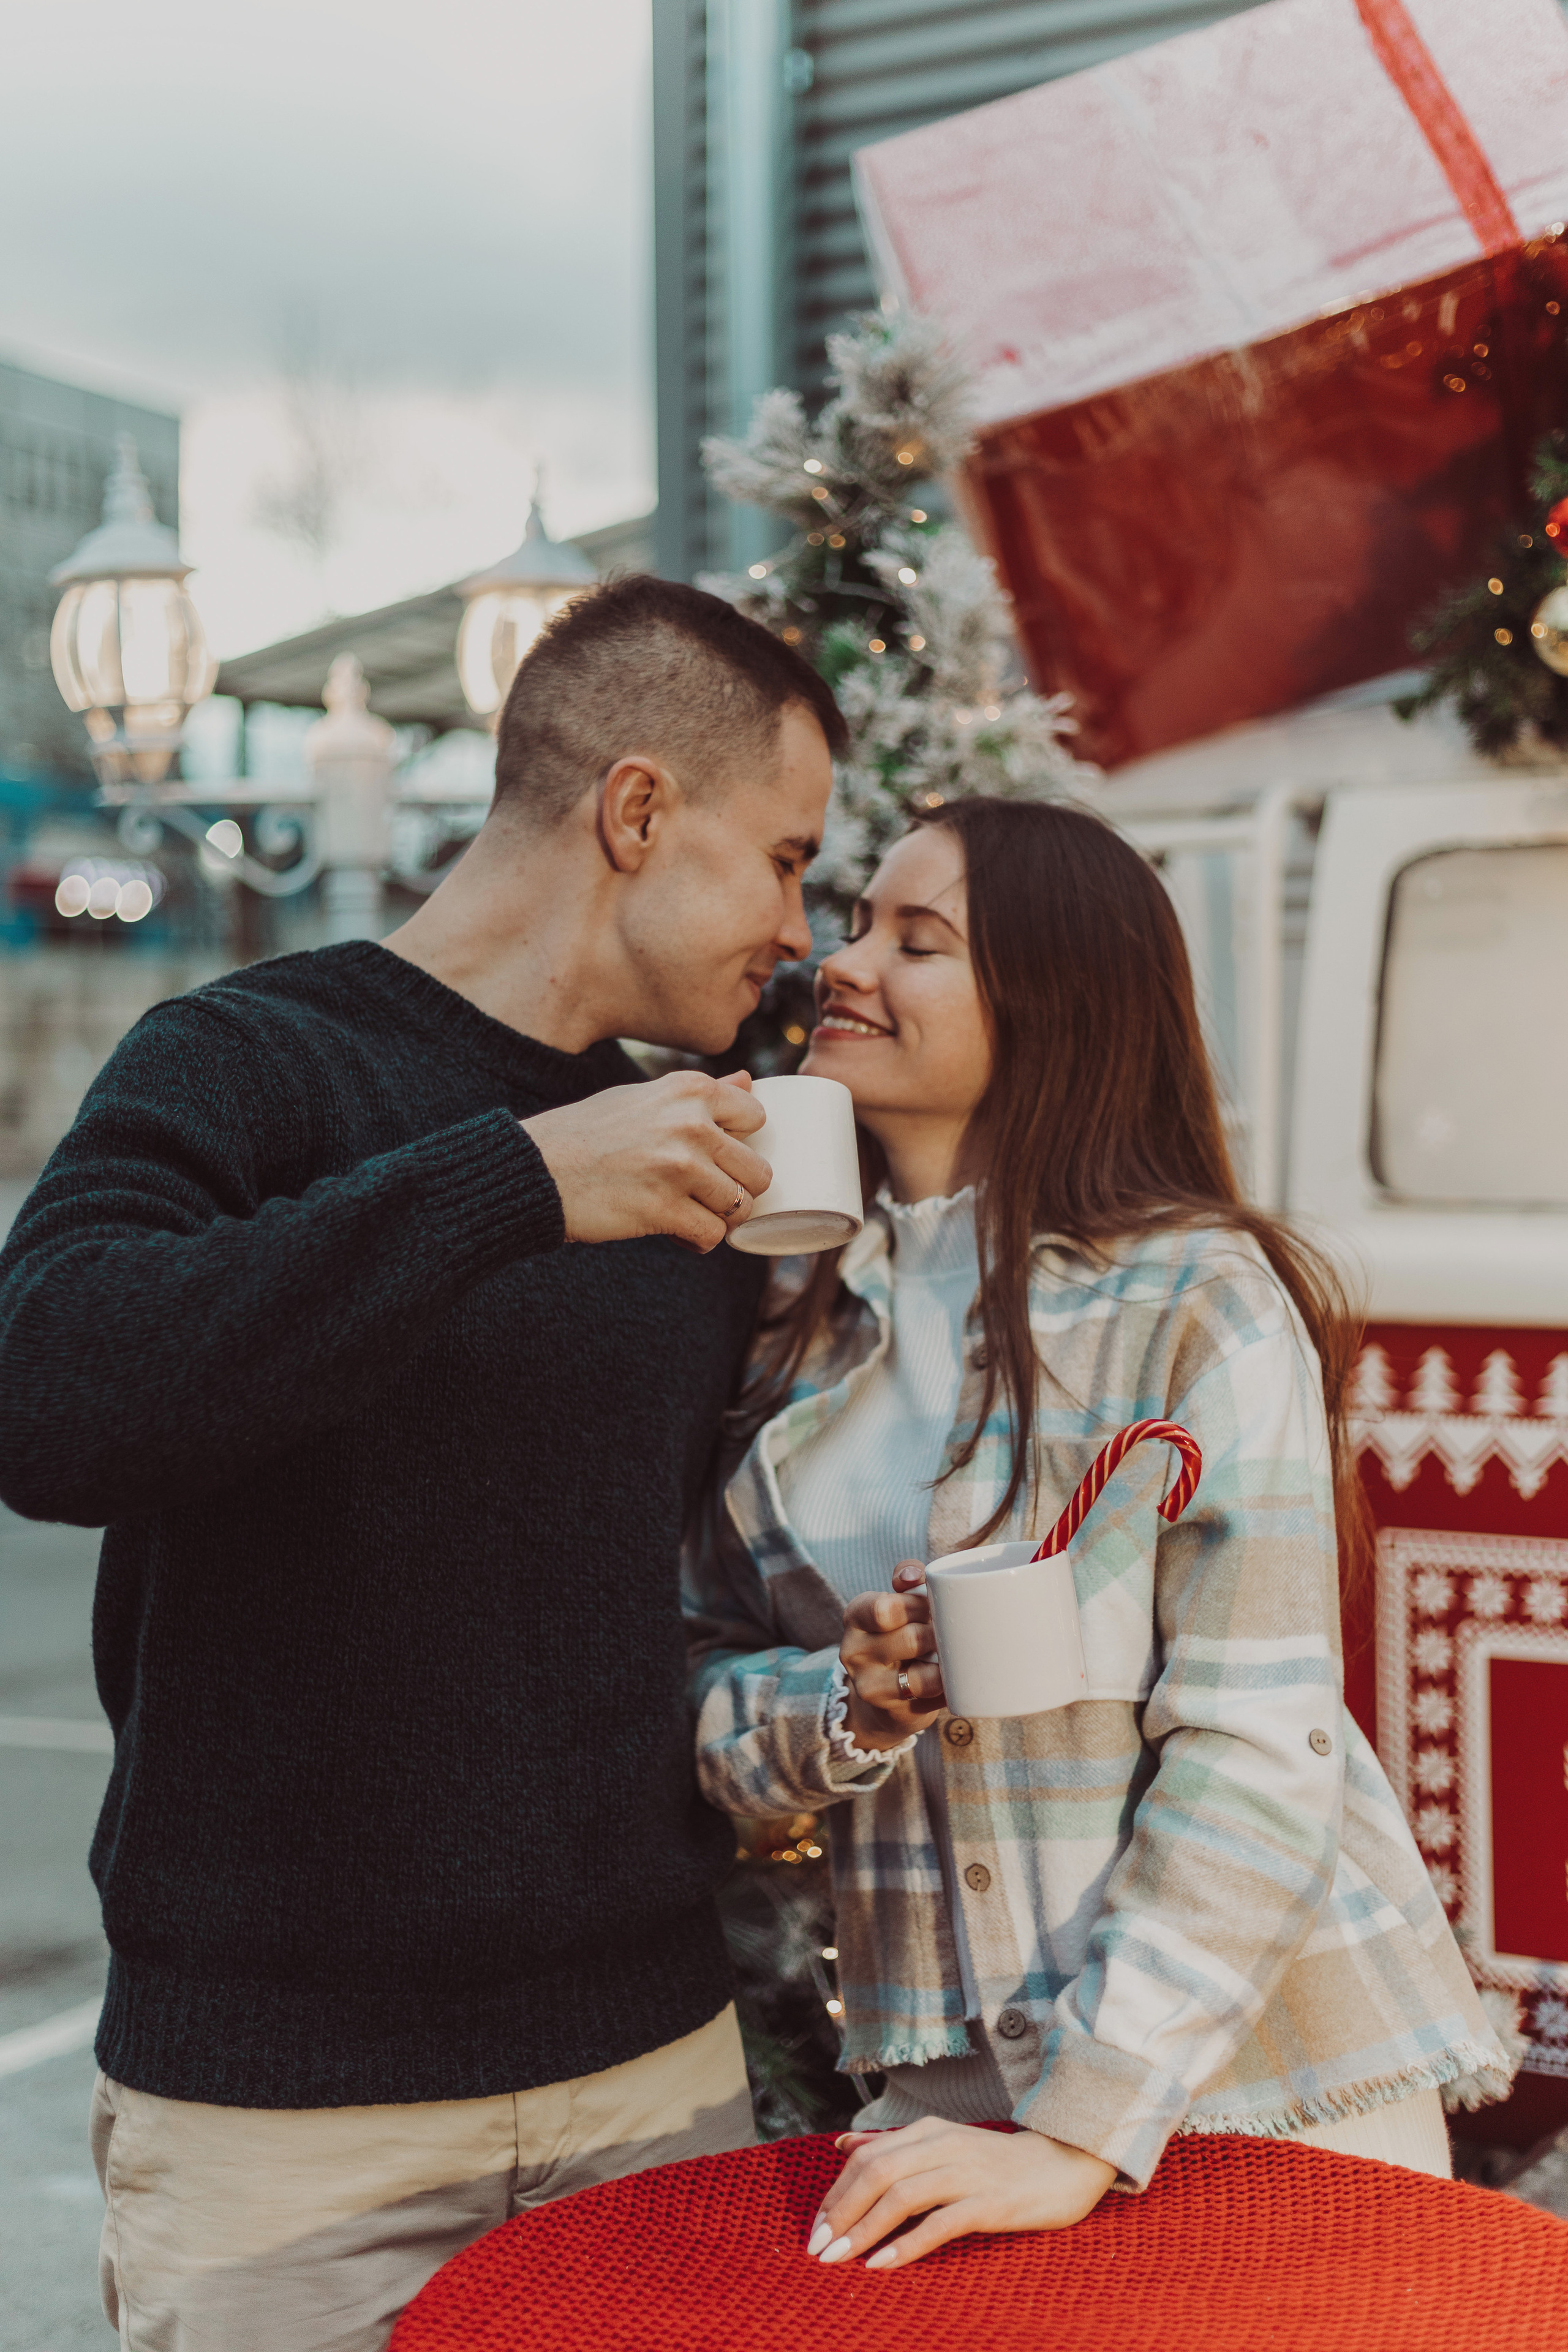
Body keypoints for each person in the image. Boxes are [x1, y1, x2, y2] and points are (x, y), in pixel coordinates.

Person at [0, 576, 843, 2351]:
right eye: (783, 856)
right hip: (285, 2125)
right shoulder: (245, 1059)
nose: (800, 920)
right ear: (636, 812)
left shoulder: (705, 1161)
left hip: (651, 2073)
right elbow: (50, 1391)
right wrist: (516, 1182)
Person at [685, 796, 1511, 2274]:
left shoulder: (1192, 1301)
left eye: (914, 940)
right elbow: (697, 1691)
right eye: (857, 921)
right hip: (950, 2096)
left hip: (1256, 2081)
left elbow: (1257, 1744)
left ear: (1051, 1001)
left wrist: (1081, 2123)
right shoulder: (792, 1327)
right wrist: (847, 1703)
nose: (842, 963)